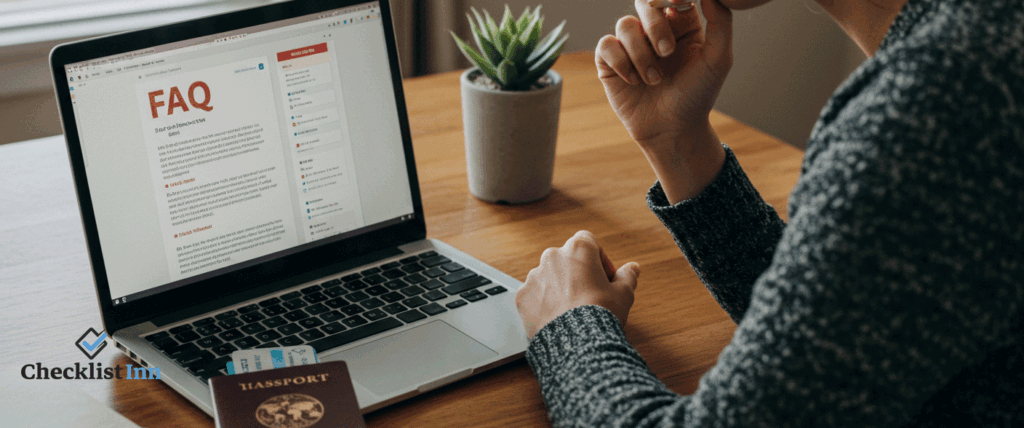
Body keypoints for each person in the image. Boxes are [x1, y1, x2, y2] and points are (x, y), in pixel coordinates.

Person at [514, 0, 1024, 425]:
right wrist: (679, 144)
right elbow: (854, 328)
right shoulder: (978, 41)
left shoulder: (934, 110)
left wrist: (570, 324)